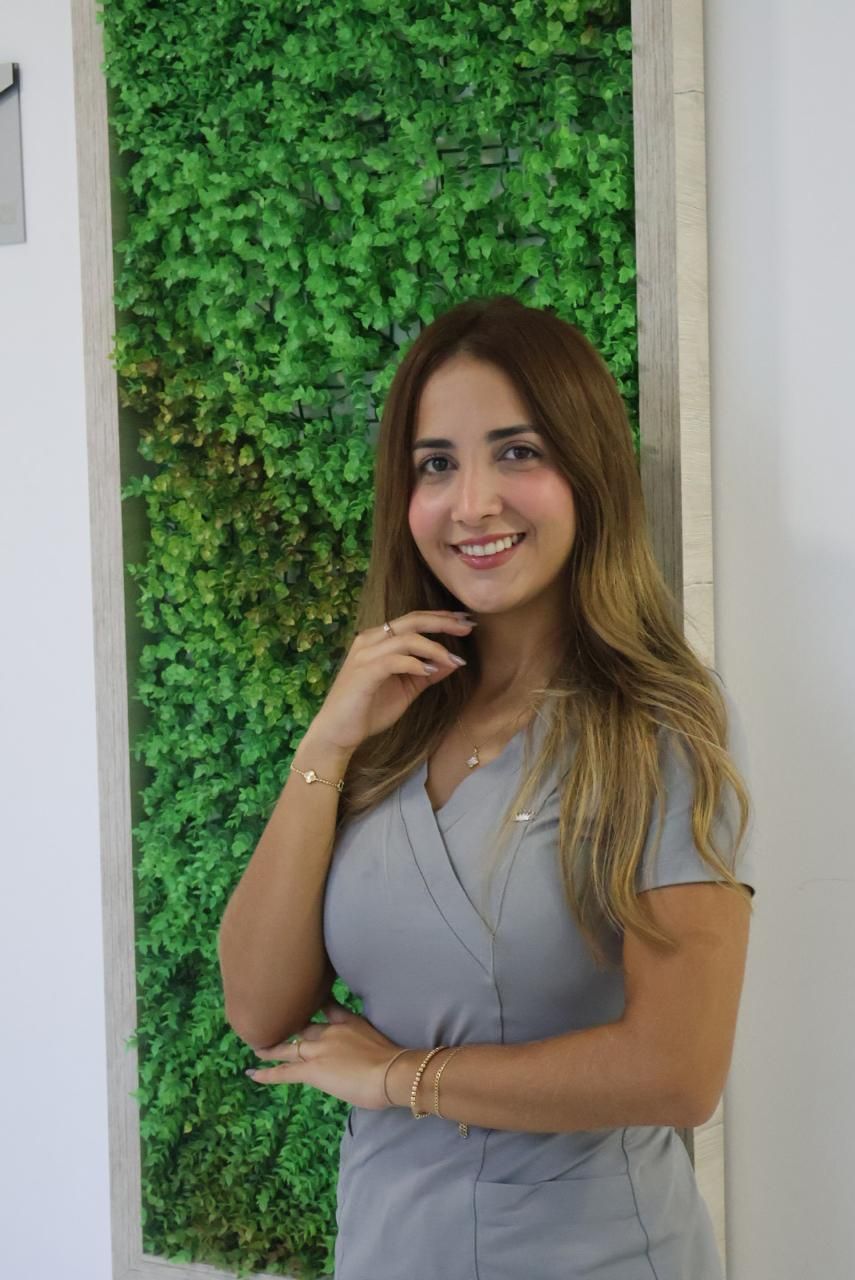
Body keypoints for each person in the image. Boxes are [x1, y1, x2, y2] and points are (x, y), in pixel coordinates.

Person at [218, 294, 758, 1279]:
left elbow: (679, 1069)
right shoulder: (389, 725)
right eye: (437, 463)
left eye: (518, 452)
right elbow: (260, 1006)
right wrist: (326, 739)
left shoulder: (658, 727)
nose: (473, 502)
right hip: (390, 1246)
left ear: (586, 468)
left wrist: (398, 1075)